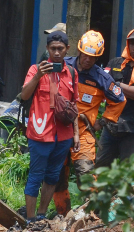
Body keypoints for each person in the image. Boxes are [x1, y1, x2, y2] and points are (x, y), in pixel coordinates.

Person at [51, 30, 125, 216]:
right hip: (58, 131)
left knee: (85, 175)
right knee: (56, 176)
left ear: (98, 57)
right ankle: (63, 216)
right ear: (79, 51)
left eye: (92, 57)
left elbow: (119, 99)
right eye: (85, 55)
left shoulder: (101, 77)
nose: (87, 60)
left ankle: (95, 216)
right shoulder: (63, 66)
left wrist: (103, 121)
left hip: (83, 133)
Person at [19, 31, 79, 222]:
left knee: (53, 175)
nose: (56, 52)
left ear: (67, 49)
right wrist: (38, 76)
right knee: (36, 175)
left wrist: (76, 134)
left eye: (60, 49)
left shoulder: (71, 72)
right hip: (40, 133)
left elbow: (74, 104)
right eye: (52, 48)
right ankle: (30, 219)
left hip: (63, 135)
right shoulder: (35, 70)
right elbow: (24, 96)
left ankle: (42, 216)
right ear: (47, 49)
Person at [96, 28, 134, 168]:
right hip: (110, 127)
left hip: (133, 130)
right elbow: (101, 85)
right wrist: (128, 91)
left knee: (129, 174)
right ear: (127, 44)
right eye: (132, 43)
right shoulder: (115, 63)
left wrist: (115, 85)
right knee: (100, 168)